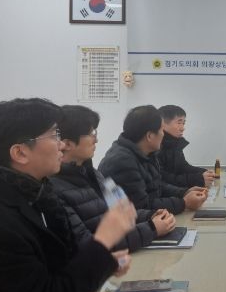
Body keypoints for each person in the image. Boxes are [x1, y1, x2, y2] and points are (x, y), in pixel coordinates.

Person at [0, 98, 136, 292]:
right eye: (55, 136)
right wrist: (102, 242)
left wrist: (103, 261)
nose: (62, 145)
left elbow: (57, 269)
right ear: (20, 153)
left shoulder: (34, 195)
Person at [51, 105, 176, 253]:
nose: (96, 140)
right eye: (91, 134)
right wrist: (152, 228)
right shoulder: (55, 189)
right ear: (67, 144)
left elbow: (124, 210)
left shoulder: (94, 174)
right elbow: (89, 245)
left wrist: (151, 215)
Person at [98, 105, 207, 214]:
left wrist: (184, 192)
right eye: (161, 130)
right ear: (150, 136)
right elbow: (142, 206)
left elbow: (157, 186)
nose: (163, 135)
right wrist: (183, 203)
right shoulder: (122, 162)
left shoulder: (146, 153)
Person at [157, 105, 214, 187]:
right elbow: (162, 178)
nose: (183, 128)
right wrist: (198, 179)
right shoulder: (155, 146)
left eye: (183, 123)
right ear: (163, 123)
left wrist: (204, 172)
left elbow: (183, 167)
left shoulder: (175, 143)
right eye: (179, 123)